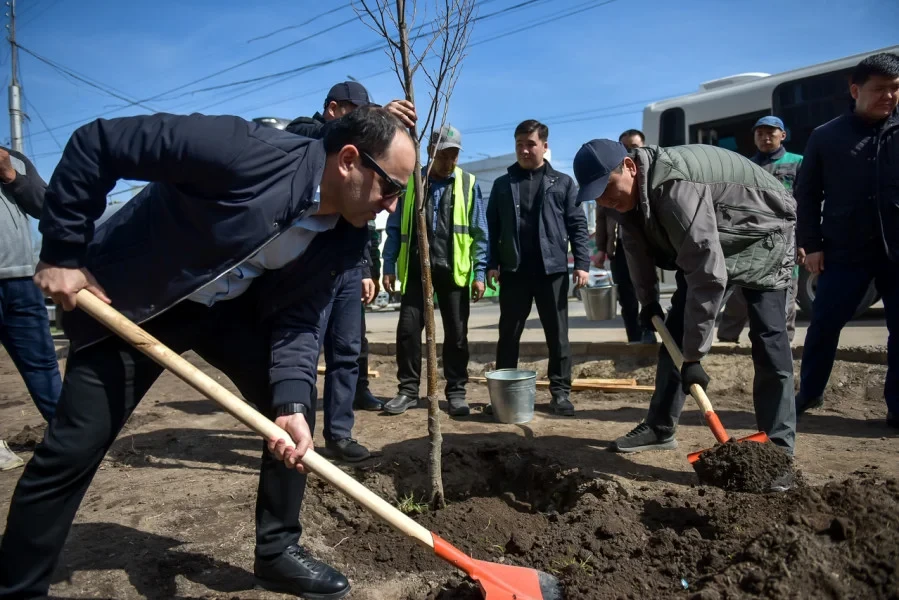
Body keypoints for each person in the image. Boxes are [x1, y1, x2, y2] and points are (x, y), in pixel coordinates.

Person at [0, 106, 416, 599]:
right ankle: (19, 587)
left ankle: (278, 551)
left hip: (226, 308)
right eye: (391, 187)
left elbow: (301, 319)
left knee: (292, 407)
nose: (392, 205)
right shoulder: (244, 149)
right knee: (73, 445)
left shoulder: (347, 235)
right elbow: (100, 142)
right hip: (138, 297)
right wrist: (64, 250)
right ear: (349, 160)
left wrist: (288, 405)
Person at [573, 138, 797, 478]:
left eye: (607, 188)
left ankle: (778, 450)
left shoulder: (675, 187)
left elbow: (706, 272)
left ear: (629, 168)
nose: (604, 199)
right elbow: (635, 248)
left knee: (769, 338)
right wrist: (648, 301)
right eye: (596, 194)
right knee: (673, 332)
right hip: (716, 233)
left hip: (762, 230)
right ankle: (660, 427)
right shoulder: (626, 199)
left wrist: (693, 358)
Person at [283, 81, 417, 461]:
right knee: (305, 353)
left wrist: (367, 268)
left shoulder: (362, 163)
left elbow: (367, 221)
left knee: (347, 352)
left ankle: (339, 433)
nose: (364, 124)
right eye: (355, 114)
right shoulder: (304, 133)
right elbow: (310, 138)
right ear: (332, 109)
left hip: (348, 267)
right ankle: (299, 434)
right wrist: (373, 122)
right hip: (310, 267)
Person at [795, 52, 899, 424]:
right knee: (824, 326)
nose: (889, 96)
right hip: (844, 250)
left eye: (895, 89)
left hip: (897, 250)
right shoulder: (826, 136)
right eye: (880, 89)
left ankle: (897, 408)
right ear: (856, 90)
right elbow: (806, 195)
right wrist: (812, 244)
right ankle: (808, 394)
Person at [381, 125, 488, 417]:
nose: (450, 160)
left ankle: (456, 392)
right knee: (407, 331)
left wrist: (479, 274)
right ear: (430, 152)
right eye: (444, 154)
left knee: (456, 334)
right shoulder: (413, 181)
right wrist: (388, 265)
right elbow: (395, 229)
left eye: (454, 154)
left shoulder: (468, 183)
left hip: (454, 272)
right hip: (416, 270)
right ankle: (407, 391)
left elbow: (480, 232)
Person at [487, 120, 590, 416]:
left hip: (552, 271)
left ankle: (560, 393)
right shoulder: (503, 184)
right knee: (508, 334)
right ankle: (504, 394)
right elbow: (492, 228)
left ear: (544, 146)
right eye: (519, 144)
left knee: (557, 335)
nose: (524, 149)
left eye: (530, 144)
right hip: (515, 271)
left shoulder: (563, 182)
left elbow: (577, 226)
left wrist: (581, 263)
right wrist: (492, 264)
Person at [0, 147, 62, 471]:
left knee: (42, 363)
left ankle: (68, 437)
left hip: (22, 280)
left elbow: (46, 207)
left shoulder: (14, 160)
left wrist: (10, 175)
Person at [717, 116, 803, 343]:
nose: (765, 138)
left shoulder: (798, 162)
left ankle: (782, 345)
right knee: (738, 293)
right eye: (760, 133)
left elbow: (806, 204)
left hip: (786, 239)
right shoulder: (746, 166)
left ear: (782, 135)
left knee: (784, 293)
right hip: (749, 240)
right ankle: (726, 343)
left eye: (771, 133)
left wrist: (804, 241)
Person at [594, 130, 655, 344]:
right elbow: (601, 218)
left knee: (647, 287)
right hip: (617, 248)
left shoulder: (649, 177)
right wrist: (601, 248)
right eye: (626, 148)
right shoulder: (609, 180)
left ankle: (650, 330)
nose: (631, 152)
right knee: (626, 296)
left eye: (635, 147)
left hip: (644, 244)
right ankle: (634, 336)